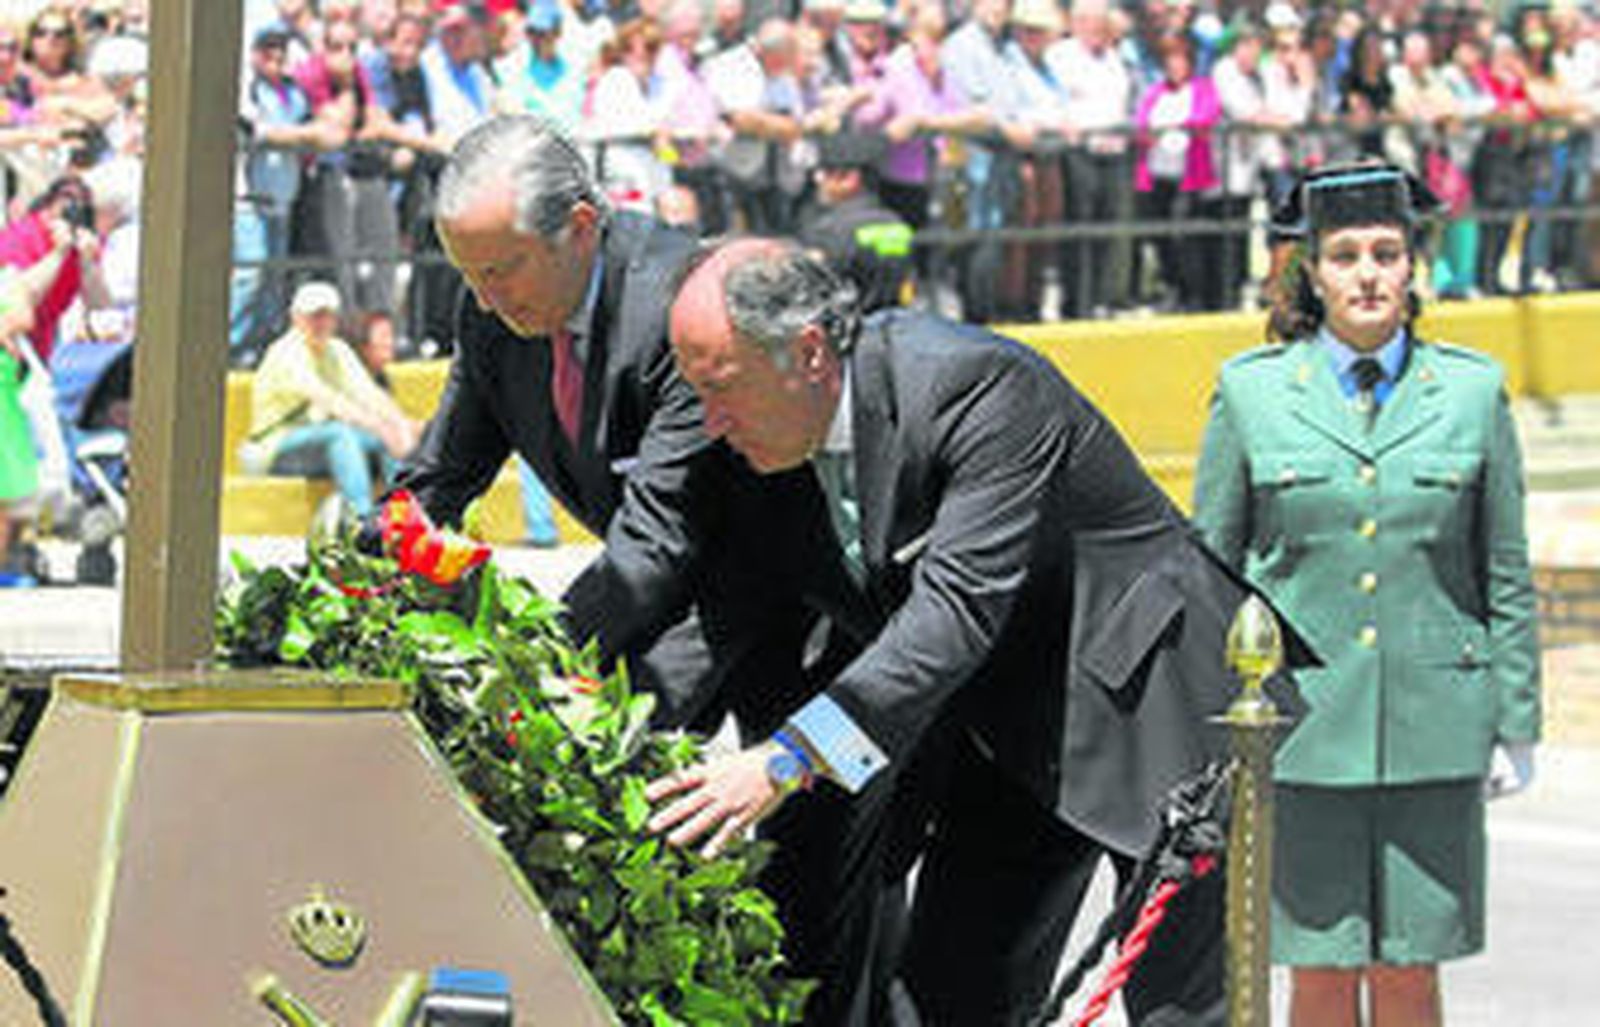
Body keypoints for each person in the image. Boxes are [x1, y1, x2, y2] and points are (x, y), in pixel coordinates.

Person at [648, 239, 1312, 1025]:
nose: (710, 422)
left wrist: (790, 757)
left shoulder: (973, 386)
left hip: (1149, 703)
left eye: (722, 388)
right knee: (944, 997)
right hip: (1002, 736)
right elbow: (732, 607)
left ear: (810, 352)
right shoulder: (768, 443)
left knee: (1184, 1012)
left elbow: (953, 614)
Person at [1191, 162, 1541, 1027]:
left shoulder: (1469, 390)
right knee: (1316, 970)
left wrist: (1516, 718)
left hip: (1437, 729)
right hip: (1300, 734)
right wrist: (1206, 719)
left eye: (1387, 252)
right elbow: (1210, 572)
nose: (1369, 273)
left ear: (1414, 265)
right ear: (1311, 273)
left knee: (1410, 972)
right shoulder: (1252, 393)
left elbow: (1503, 567)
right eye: (1345, 255)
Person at [392, 113, 805, 733]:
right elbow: (438, 478)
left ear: (581, 227)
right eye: (467, 274)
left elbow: (658, 536)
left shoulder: (680, 310)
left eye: (501, 270)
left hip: (786, 606)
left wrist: (532, 659)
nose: (483, 298)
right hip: (646, 595)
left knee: (810, 821)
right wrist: (361, 572)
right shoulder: (491, 312)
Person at [243, 281, 418, 516]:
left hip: (319, 437)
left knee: (381, 438)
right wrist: (381, 426)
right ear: (296, 318)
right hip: (273, 445)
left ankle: (404, 516)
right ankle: (361, 520)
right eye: (313, 316)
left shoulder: (338, 350)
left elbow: (370, 394)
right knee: (341, 434)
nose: (320, 323)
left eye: (326, 316)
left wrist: (399, 426)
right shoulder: (286, 352)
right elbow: (330, 401)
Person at [795, 131, 911, 313]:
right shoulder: (896, 224)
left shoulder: (830, 230)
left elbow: (810, 288)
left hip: (852, 332)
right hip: (895, 328)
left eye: (823, 174)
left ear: (850, 179)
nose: (819, 183)